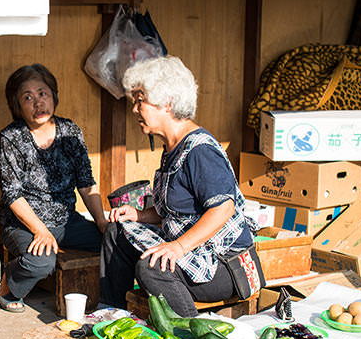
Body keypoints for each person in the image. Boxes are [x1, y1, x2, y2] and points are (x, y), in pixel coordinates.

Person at [100, 56, 262, 317]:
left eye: (140, 100)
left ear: (167, 103)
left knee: (152, 267)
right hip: (195, 253)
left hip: (226, 265)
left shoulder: (200, 151)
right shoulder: (172, 148)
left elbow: (223, 209)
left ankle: (187, 334)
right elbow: (178, 212)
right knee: (117, 231)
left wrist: (177, 248)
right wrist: (139, 216)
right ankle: (112, 315)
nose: (134, 109)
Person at [0, 64, 108, 312]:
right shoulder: (11, 137)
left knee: (112, 242)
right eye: (27, 97)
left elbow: (86, 182)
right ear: (17, 105)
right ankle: (9, 287)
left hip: (66, 221)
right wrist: (40, 230)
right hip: (23, 224)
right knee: (41, 263)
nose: (37, 103)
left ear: (53, 96)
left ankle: (110, 300)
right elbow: (12, 194)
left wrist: (101, 221)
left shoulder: (70, 132)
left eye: (42, 94)